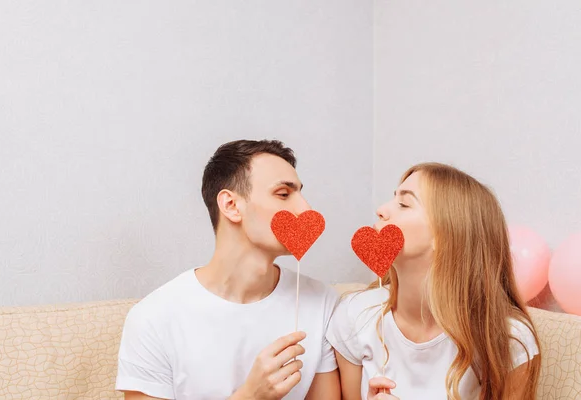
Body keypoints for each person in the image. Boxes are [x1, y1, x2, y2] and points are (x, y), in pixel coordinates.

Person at [116, 139, 340, 400]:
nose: (306, 209)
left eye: (301, 193)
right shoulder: (153, 319)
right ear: (231, 205)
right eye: (283, 194)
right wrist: (250, 396)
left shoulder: (322, 303)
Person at [327, 162, 541, 400]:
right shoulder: (355, 315)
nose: (381, 210)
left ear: (446, 234)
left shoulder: (507, 338)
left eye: (404, 204)